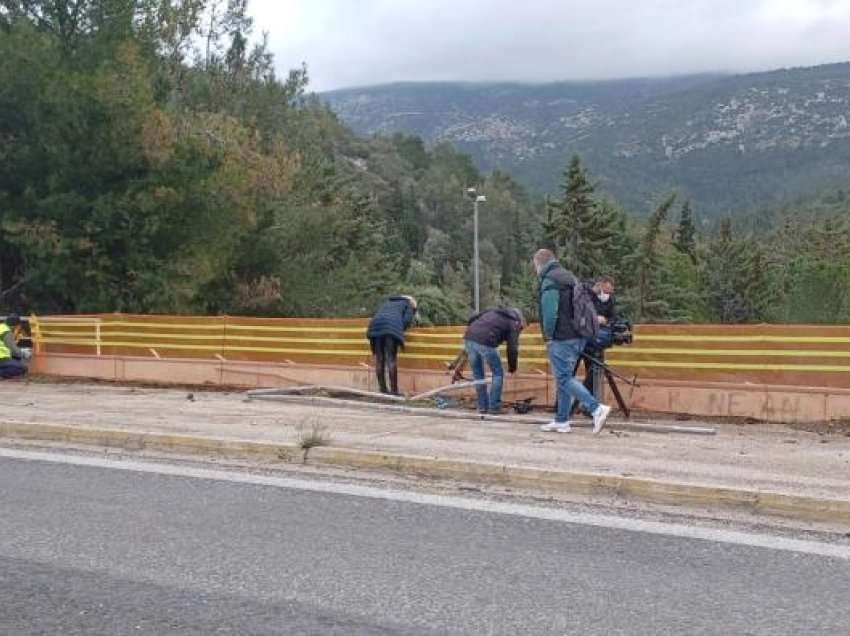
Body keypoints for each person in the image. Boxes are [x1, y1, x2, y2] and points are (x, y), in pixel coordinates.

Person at [532, 249, 611, 434]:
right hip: (578, 335)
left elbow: (550, 312)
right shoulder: (569, 277)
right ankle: (562, 420)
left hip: (561, 337)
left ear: (539, 264)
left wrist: (548, 336)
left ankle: (596, 408)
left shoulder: (550, 280)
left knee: (564, 378)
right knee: (564, 378)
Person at [463, 307, 526, 415]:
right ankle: (494, 407)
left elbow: (473, 317)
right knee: (498, 374)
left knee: (478, 375)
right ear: (520, 319)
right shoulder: (514, 322)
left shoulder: (493, 311)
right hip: (486, 341)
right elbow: (512, 348)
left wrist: (472, 330)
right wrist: (512, 368)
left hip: (469, 338)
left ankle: (483, 406)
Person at [367, 295, 418, 395]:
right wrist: (400, 329)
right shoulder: (408, 304)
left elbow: (378, 315)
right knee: (391, 359)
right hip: (391, 327)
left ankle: (383, 390)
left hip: (375, 326)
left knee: (380, 359)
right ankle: (394, 391)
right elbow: (407, 320)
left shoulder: (388, 303)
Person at [582, 275, 617, 398]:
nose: (607, 293)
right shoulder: (588, 295)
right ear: (601, 285)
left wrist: (605, 320)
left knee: (596, 371)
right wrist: (593, 318)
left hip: (601, 337)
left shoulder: (610, 300)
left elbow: (613, 317)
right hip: (586, 337)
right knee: (589, 369)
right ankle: (584, 399)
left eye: (610, 291)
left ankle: (591, 401)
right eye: (606, 290)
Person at [0, 314, 29, 380]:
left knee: (16, 359)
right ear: (15, 325)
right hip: (2, 359)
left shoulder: (1, 327)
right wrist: (24, 353)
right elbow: (13, 350)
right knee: (22, 368)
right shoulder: (6, 332)